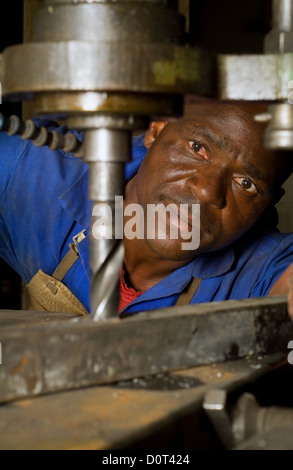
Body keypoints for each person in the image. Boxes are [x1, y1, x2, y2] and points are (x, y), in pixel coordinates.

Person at [1, 100, 293, 318]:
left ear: (269, 201)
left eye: (246, 182)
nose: (206, 190)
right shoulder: (34, 174)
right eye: (197, 148)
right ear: (157, 130)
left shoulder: (261, 269)